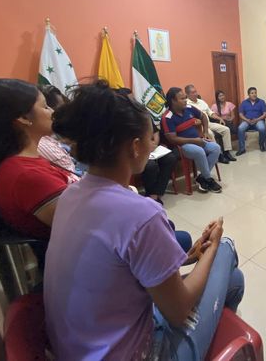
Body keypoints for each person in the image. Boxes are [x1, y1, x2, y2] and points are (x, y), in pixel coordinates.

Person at [44, 81, 244, 360]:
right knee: (225, 249)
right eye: (151, 138)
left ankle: (211, 335)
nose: (154, 144)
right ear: (135, 146)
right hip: (140, 353)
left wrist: (189, 256)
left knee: (234, 278)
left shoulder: (69, 194)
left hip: (77, 348)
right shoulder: (142, 214)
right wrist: (212, 248)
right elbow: (179, 311)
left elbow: (119, 265)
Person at [0, 79, 78, 240]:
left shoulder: (27, 162)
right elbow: (88, 226)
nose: (52, 112)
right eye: (45, 106)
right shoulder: (27, 176)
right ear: (24, 118)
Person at [162, 87, 223, 193]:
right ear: (173, 101)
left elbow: (203, 117)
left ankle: (202, 177)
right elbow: (173, 139)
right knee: (199, 151)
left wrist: (205, 132)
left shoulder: (189, 108)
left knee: (216, 148)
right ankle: (208, 179)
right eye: (182, 99)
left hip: (198, 140)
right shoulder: (167, 117)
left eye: (185, 97)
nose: (185, 100)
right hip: (183, 145)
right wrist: (194, 141)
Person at [185, 84, 236, 164]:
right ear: (187, 94)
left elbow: (210, 113)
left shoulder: (201, 101)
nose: (195, 94)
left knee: (226, 129)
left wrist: (220, 118)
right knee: (210, 134)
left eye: (196, 91)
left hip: (208, 123)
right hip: (199, 127)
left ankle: (227, 152)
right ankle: (219, 155)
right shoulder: (187, 104)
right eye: (193, 92)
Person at [36, 85, 79, 175]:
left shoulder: (48, 136)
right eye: (45, 107)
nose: (64, 112)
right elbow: (73, 174)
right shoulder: (42, 143)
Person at [236, 87, 266, 155]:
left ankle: (261, 144)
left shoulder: (261, 102)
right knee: (240, 128)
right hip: (247, 120)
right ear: (248, 94)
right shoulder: (244, 102)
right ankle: (242, 149)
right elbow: (240, 114)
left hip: (258, 120)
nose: (254, 94)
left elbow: (265, 114)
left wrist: (257, 119)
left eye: (255, 93)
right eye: (252, 93)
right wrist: (246, 120)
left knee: (262, 128)